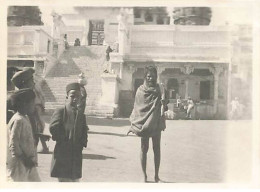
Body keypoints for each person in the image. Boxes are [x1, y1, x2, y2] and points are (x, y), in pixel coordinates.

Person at [129, 66, 168, 183]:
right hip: (144, 124)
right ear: (145, 77)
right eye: (148, 76)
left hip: (156, 123)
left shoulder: (159, 89)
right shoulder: (140, 90)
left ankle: (156, 176)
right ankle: (144, 175)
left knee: (157, 148)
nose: (151, 78)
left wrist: (163, 101)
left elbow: (164, 105)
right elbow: (137, 108)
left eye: (153, 76)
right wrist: (135, 122)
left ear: (156, 76)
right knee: (144, 148)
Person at [49, 83, 89, 182]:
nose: (75, 99)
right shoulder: (61, 111)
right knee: (64, 179)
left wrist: (82, 142)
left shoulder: (81, 115)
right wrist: (63, 139)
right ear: (67, 97)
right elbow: (53, 127)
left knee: (74, 179)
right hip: (63, 152)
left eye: (78, 97)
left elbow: (84, 130)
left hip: (76, 153)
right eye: (72, 96)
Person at [11, 68, 50, 153]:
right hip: (32, 115)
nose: (33, 81)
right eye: (31, 80)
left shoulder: (32, 89)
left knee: (38, 129)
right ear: (24, 83)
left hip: (35, 111)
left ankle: (41, 148)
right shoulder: (23, 97)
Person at [6, 88, 41, 181]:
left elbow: (25, 136)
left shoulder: (24, 117)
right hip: (20, 164)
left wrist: (38, 135)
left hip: (28, 163)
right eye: (33, 103)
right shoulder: (18, 120)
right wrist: (24, 160)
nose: (34, 106)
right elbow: (13, 145)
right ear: (24, 104)